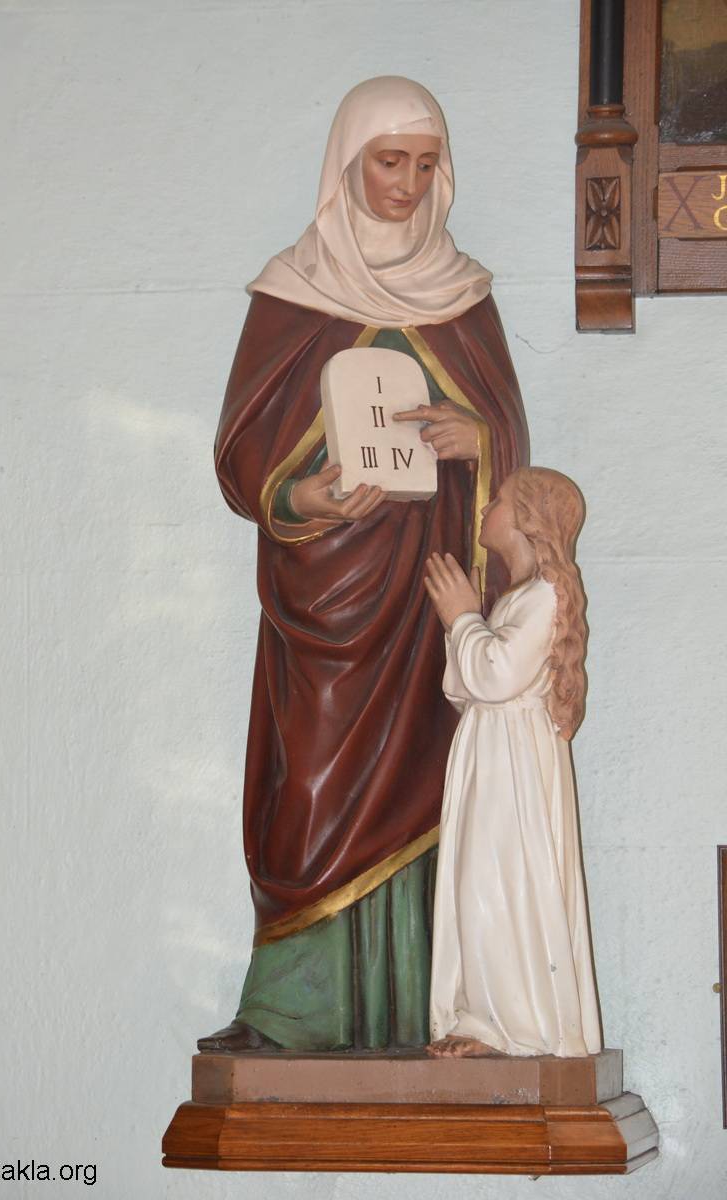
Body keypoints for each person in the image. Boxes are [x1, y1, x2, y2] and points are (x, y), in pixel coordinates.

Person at [203, 76, 529, 1053]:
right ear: (347, 163)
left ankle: (430, 1010)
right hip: (328, 596)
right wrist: (301, 499)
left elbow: (506, 443)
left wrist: (477, 437)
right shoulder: (291, 293)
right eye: (390, 161)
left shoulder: (462, 297)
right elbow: (241, 449)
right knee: (309, 787)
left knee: (437, 781)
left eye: (426, 165)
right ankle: (289, 1010)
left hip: (433, 593)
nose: (407, 183)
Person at [424, 467, 602, 1058]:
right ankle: (485, 1016)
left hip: (511, 765)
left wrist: (462, 618)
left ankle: (516, 1025)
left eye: (496, 501)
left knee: (501, 883)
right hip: (491, 754)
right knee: (481, 881)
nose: (485, 510)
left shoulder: (546, 594)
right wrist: (464, 622)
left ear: (528, 519)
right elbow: (465, 686)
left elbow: (496, 677)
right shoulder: (517, 597)